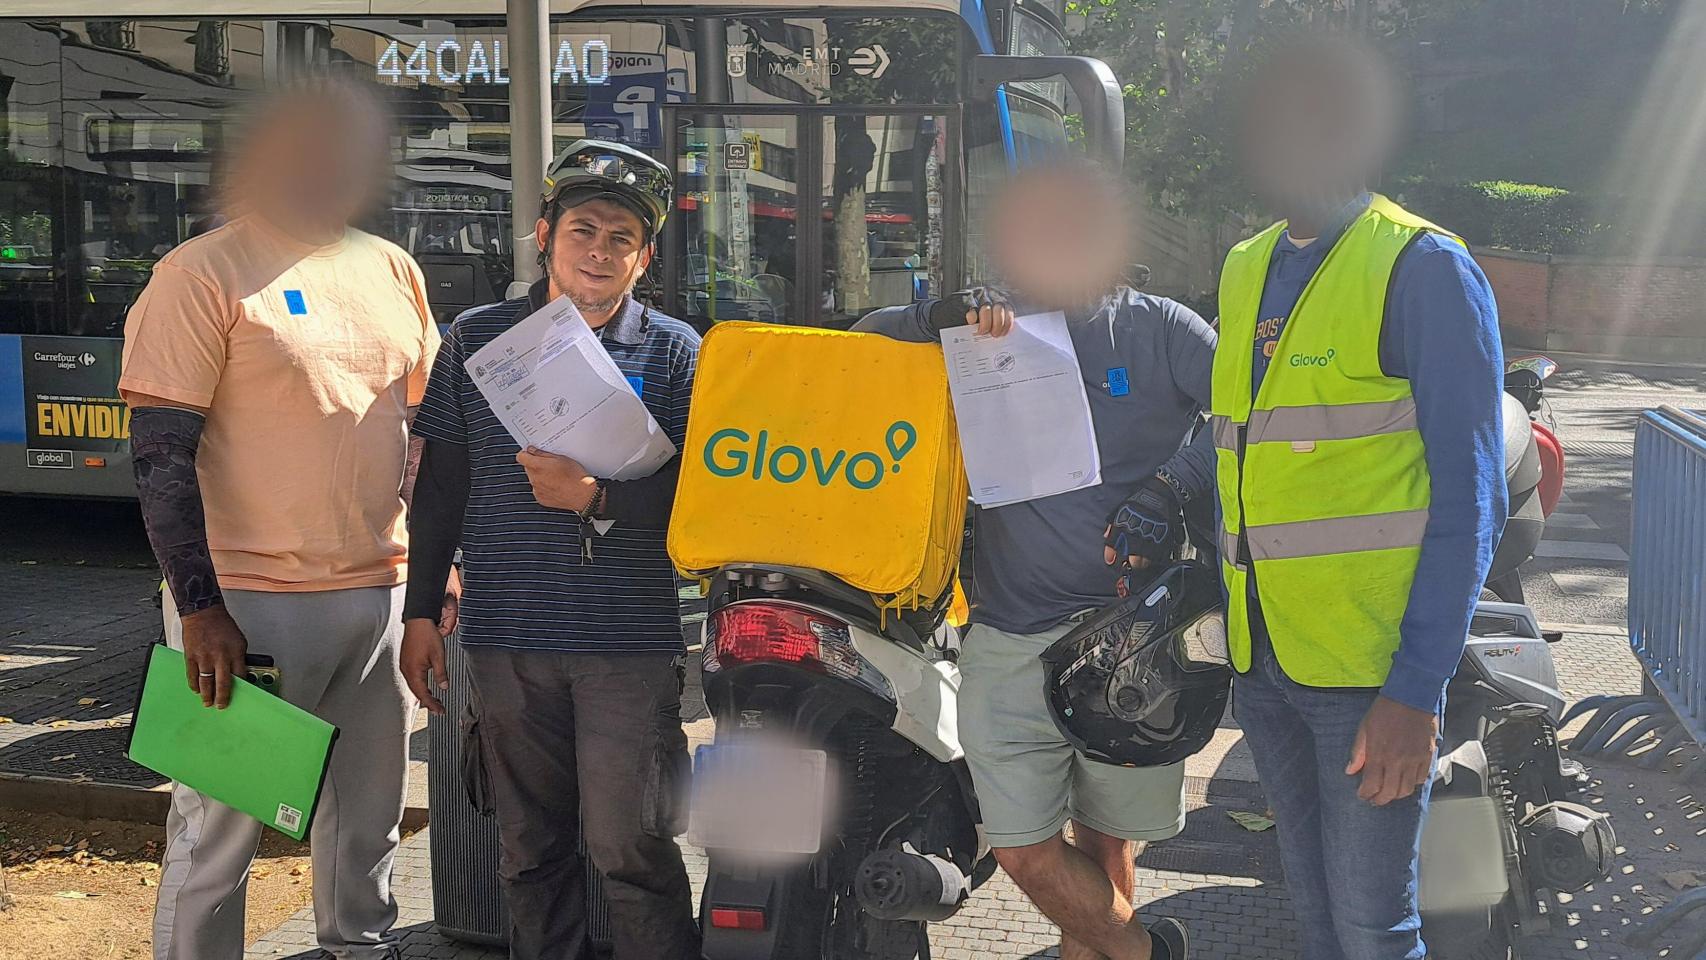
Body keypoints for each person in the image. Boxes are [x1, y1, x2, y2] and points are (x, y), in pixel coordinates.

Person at [120, 81, 451, 960]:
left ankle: (360, 947)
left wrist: (438, 573)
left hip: (379, 593)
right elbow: (159, 459)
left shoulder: (391, 267)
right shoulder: (201, 272)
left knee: (368, 820)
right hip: (248, 605)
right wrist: (199, 608)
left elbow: (421, 434)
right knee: (220, 833)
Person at [856, 160, 1207, 960]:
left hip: (1133, 636)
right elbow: (861, 344)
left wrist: (1170, 488)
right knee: (1019, 846)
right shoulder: (985, 324)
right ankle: (1145, 953)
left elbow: (1250, 414)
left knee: (1108, 841)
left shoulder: (1162, 328)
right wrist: (937, 314)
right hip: (1011, 635)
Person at [1211, 38, 1507, 960]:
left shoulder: (1423, 267)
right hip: (1264, 663)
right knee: (1312, 914)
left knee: (1376, 928)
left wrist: (1415, 691)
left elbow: (1471, 500)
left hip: (1369, 677)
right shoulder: (1245, 265)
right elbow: (1237, 447)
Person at [399, 140, 701, 960]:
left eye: (621, 239)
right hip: (508, 636)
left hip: (627, 643)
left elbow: (701, 499)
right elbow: (441, 486)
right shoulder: (479, 338)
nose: (599, 252)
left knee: (629, 847)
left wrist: (598, 497)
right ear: (545, 236)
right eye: (583, 231)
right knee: (529, 850)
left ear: (643, 258)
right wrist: (420, 612)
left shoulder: (676, 350)